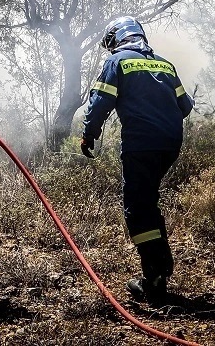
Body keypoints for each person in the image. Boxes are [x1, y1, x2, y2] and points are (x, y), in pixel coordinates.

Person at [80, 16, 194, 305]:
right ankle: (161, 260)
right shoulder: (165, 64)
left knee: (137, 207)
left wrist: (89, 134)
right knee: (147, 200)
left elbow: (101, 102)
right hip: (170, 144)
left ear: (117, 39)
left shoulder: (117, 62)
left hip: (141, 144)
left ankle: (154, 277)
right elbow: (185, 106)